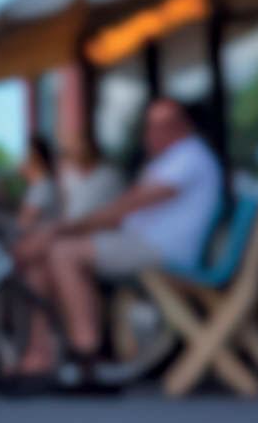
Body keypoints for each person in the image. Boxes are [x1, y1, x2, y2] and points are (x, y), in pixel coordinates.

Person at [13, 98, 223, 379]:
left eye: (156, 126)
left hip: (161, 252)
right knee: (43, 258)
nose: (148, 133)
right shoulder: (174, 159)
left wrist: (58, 230)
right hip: (141, 245)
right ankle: (41, 355)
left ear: (181, 125)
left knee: (63, 252)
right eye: (148, 125)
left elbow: (126, 207)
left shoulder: (189, 156)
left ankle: (86, 356)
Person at [58, 131, 122, 221]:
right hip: (73, 230)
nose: (75, 151)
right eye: (71, 148)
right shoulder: (68, 176)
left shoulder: (110, 176)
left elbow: (118, 212)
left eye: (79, 146)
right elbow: (65, 207)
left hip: (100, 231)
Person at [17, 135, 60, 231]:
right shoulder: (41, 186)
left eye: (22, 157)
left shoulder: (42, 189)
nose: (18, 162)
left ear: (35, 159)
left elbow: (22, 225)